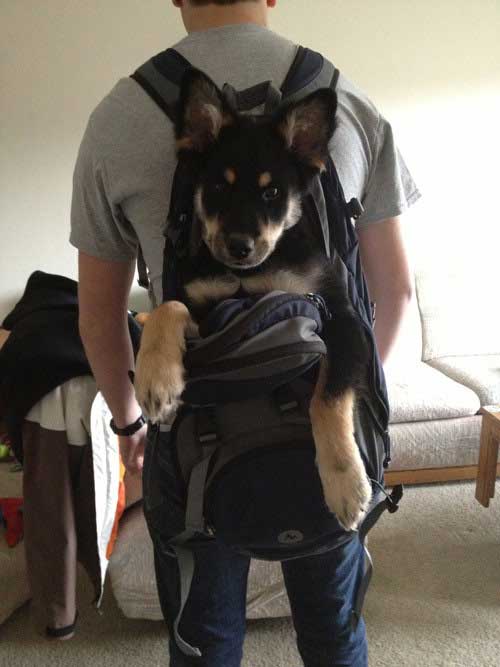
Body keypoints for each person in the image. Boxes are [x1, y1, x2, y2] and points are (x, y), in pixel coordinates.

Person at [71, 1, 419, 664]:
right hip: (325, 453)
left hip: (196, 450)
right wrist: (358, 411)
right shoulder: (349, 102)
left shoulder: (117, 118)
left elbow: (97, 316)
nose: (242, 234)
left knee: (205, 642)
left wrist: (130, 424)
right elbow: (394, 294)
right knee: (333, 632)